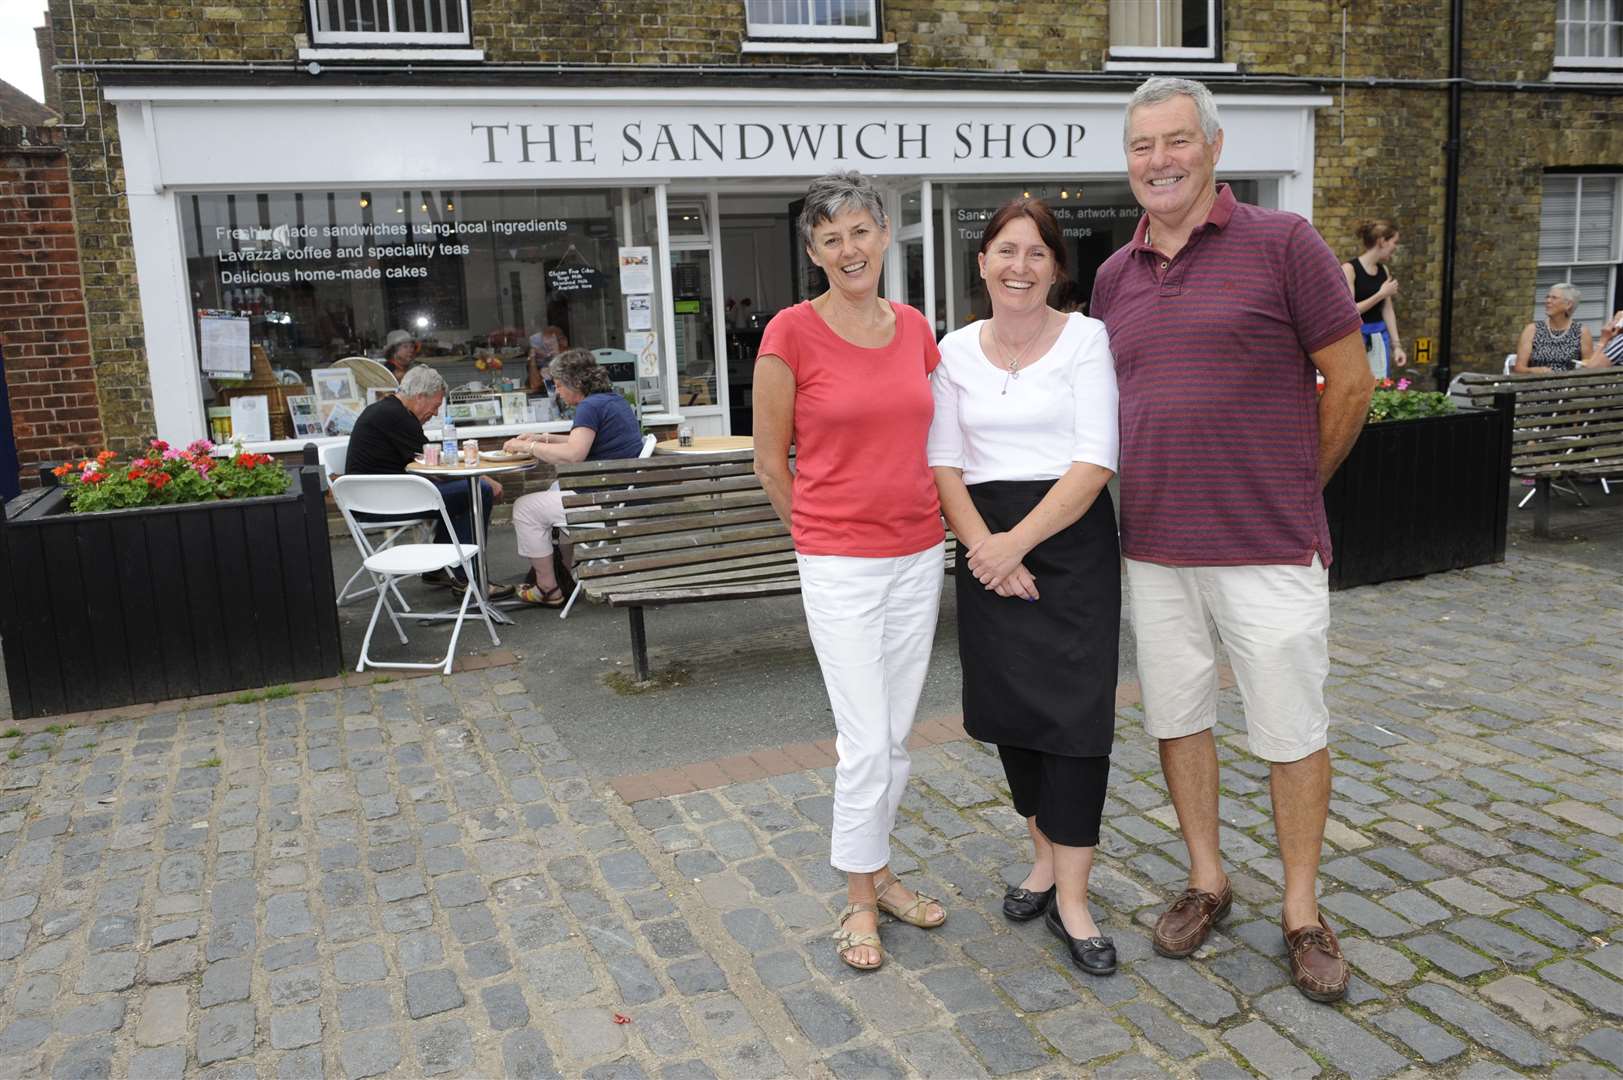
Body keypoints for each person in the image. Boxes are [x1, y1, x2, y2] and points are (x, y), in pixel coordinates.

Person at [1090, 77, 1374, 1003]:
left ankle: (1300, 910)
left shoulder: (1282, 242)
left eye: (1175, 141)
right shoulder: (1110, 277)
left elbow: (1350, 382)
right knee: (1177, 718)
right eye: (1141, 146)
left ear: (1213, 147)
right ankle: (1206, 879)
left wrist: (1295, 487)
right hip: (1155, 549)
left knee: (1290, 729)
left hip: (1267, 545)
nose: (1158, 161)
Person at [753, 170, 948, 972]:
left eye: (860, 231)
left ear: (884, 235)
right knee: (865, 741)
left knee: (894, 738)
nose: (848, 248)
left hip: (917, 553)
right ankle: (859, 901)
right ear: (813, 252)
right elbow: (770, 463)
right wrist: (819, 538)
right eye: (830, 237)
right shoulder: (789, 333)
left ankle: (881, 871)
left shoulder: (914, 329)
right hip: (839, 563)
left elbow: (939, 445)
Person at [927, 197, 1122, 977]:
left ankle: (1073, 900)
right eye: (1005, 251)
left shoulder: (1085, 339)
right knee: (1013, 718)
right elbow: (942, 460)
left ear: (1055, 269)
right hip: (984, 541)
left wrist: (1014, 546)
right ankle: (1041, 861)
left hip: (1067, 543)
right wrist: (985, 550)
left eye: (1035, 253)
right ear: (981, 263)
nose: (1019, 266)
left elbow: (1095, 457)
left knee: (1074, 724)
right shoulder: (953, 350)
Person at [346, 364, 510, 596]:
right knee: (478, 491)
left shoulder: (388, 411)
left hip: (375, 498)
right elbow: (435, 464)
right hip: (380, 504)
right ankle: (467, 580)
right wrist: (484, 478)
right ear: (420, 396)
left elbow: (430, 463)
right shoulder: (397, 416)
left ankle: (441, 569)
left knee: (465, 491)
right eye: (435, 406)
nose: (435, 413)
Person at [506, 348, 644, 607]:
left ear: (575, 383)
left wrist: (529, 448)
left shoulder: (589, 406)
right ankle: (562, 574)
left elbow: (573, 454)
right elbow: (584, 439)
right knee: (553, 490)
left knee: (524, 508)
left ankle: (547, 588)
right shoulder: (613, 400)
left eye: (558, 385)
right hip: (624, 497)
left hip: (607, 504)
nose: (557, 391)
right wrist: (541, 437)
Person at [1341, 220, 1406, 377]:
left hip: (1379, 337)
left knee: (1380, 388)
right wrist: (1380, 294)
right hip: (1357, 338)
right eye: (1394, 242)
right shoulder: (1349, 269)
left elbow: (1387, 310)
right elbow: (1351, 311)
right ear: (1382, 242)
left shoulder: (1383, 270)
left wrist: (1396, 345)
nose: (1395, 247)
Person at [1514, 284, 1597, 372]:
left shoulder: (1581, 331)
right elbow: (1519, 368)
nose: (1548, 301)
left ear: (1568, 304)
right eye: (1547, 297)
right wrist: (1533, 371)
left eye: (1554, 298)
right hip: (1538, 382)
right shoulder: (1532, 330)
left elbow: (1588, 366)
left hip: (1568, 383)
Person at [527, 326, 569, 393]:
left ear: (564, 342)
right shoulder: (545, 361)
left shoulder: (574, 360)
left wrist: (553, 370)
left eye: (550, 347)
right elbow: (535, 385)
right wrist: (532, 358)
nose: (548, 353)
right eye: (544, 347)